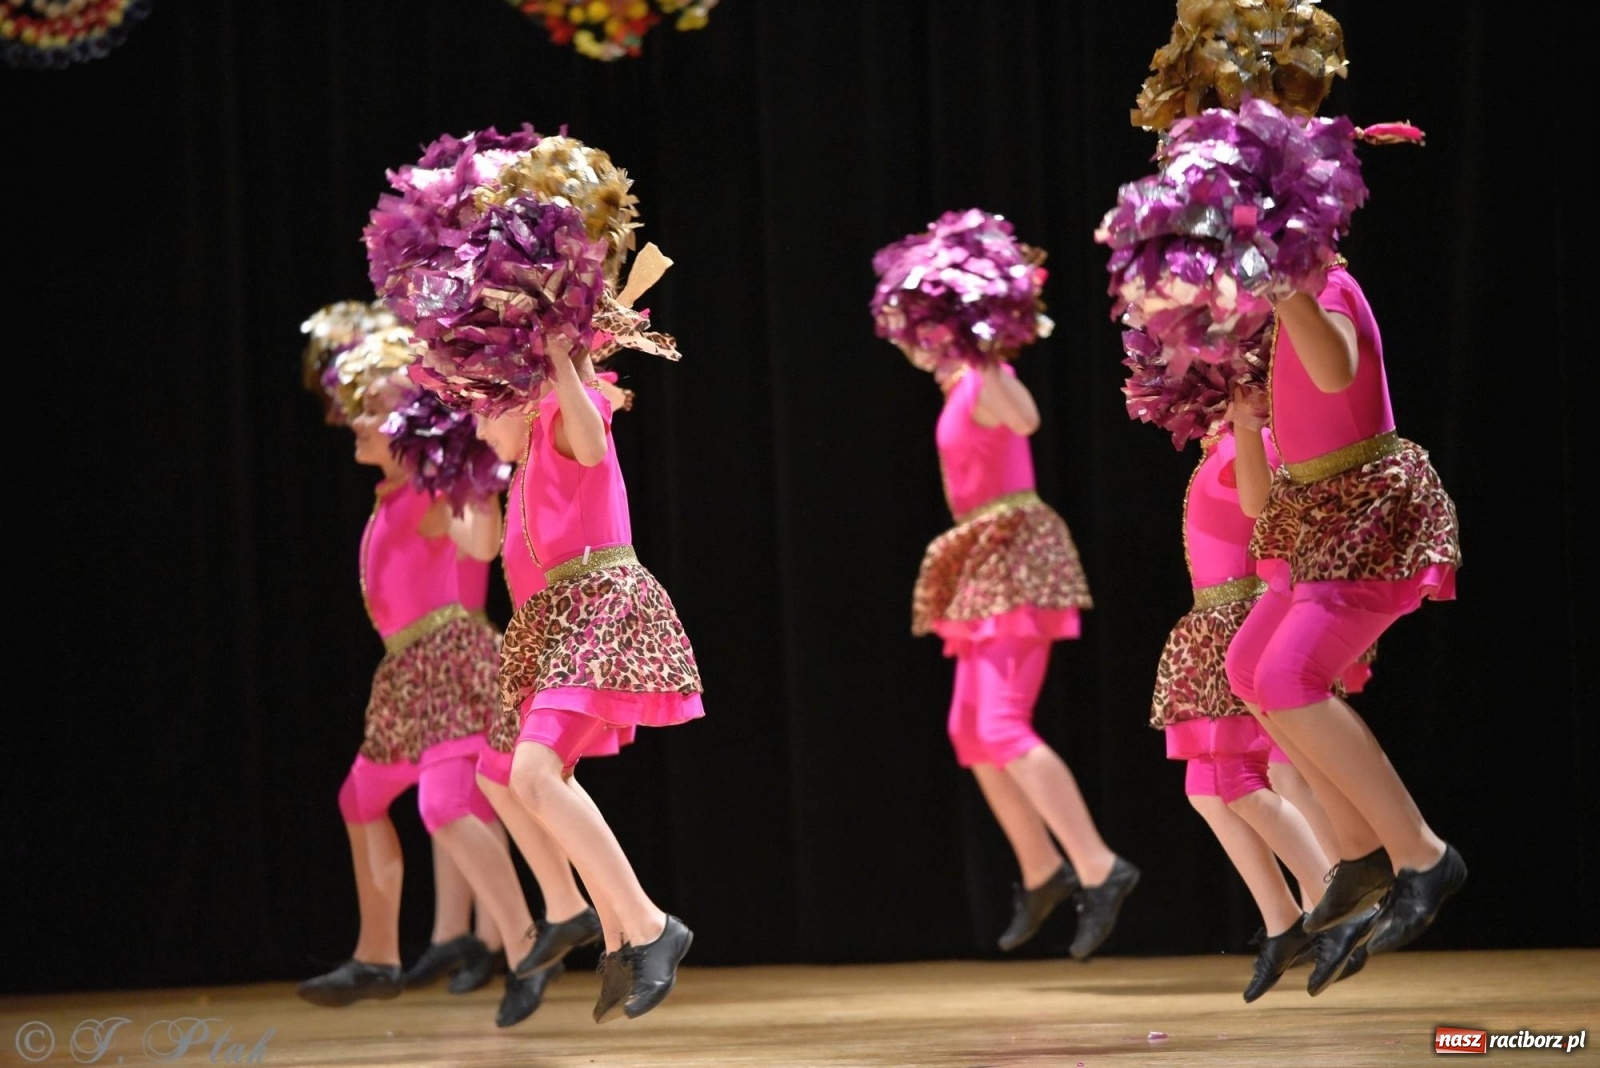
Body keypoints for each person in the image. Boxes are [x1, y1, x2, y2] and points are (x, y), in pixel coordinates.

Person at [872, 208, 1137, 962]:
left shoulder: (988, 379)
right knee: (970, 730)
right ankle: (1043, 870)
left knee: (1002, 726)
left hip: (1016, 555)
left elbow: (1026, 420)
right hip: (981, 560)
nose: (911, 346)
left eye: (921, 331)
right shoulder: (956, 386)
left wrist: (986, 348)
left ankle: (1099, 866)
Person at [296, 328, 557, 1029]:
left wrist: (466, 471)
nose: (352, 420)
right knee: (359, 798)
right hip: (408, 671)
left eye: (369, 410)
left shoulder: (428, 489)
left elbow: (481, 542)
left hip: (448, 660)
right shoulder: (392, 494)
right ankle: (377, 955)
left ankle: (527, 946)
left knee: (444, 807)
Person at [1225, 260, 1465, 963]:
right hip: (1319, 517)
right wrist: (1244, 416)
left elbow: (1336, 373)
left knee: (1287, 677)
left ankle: (1423, 854)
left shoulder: (1329, 287)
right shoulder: (1289, 306)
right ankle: (1359, 849)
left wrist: (1281, 286)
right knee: (1248, 667)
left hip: (1368, 509)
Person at [471, 342, 703, 1024]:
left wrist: (557, 354)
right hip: (561, 622)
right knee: (538, 777)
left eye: (483, 410)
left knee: (532, 775)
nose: (478, 429)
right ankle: (623, 937)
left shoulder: (561, 414)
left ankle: (651, 927)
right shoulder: (524, 463)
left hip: (600, 607)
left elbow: (595, 443)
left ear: (516, 399)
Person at [1150, 416, 1369, 999]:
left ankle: (1336, 910)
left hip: (1240, 621)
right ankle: (1283, 921)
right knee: (1205, 790)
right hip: (1214, 622)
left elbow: (1274, 522)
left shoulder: (1258, 440)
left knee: (1243, 782)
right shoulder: (1223, 443)